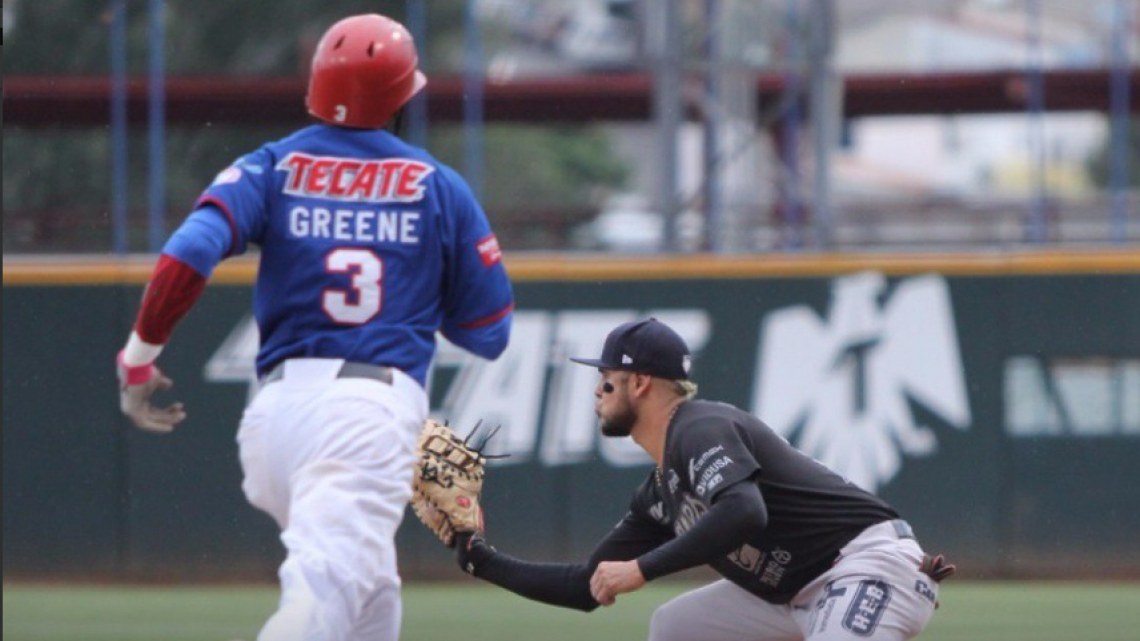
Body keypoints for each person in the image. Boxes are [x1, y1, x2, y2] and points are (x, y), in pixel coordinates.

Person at [114, 14, 513, 641]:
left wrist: (140, 355)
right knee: (319, 601)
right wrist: (409, 290)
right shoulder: (440, 188)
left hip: (274, 425)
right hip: (363, 421)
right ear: (404, 98)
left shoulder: (271, 166)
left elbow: (189, 253)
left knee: (372, 598)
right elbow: (488, 332)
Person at [455, 318, 954, 641]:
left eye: (606, 378)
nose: (597, 391)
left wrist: (643, 568)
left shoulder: (700, 428)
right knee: (675, 627)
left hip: (864, 570)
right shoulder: (659, 492)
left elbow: (744, 510)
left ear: (641, 382)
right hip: (789, 597)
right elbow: (587, 587)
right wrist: (481, 559)